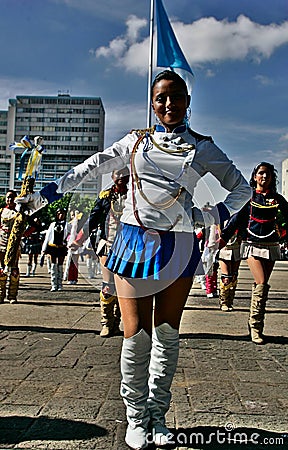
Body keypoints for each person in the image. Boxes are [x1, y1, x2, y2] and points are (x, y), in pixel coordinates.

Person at [16, 70, 251, 449]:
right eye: (161, 98)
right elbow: (92, 165)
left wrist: (214, 215)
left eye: (176, 97)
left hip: (179, 244)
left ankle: (159, 415)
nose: (169, 104)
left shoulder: (202, 147)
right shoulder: (136, 142)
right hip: (134, 242)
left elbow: (240, 189)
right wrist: (46, 193)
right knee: (135, 333)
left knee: (168, 334)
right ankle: (136, 417)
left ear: (187, 102)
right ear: (153, 102)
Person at [220, 162, 288, 344]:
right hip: (251, 244)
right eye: (261, 173)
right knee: (261, 282)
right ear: (255, 176)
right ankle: (255, 327)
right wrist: (222, 239)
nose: (264, 177)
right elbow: (236, 219)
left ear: (272, 178)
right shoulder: (249, 197)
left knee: (263, 288)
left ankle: (256, 325)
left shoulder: (278, 199)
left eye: (268, 174)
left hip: (271, 245)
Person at [74, 168, 130, 338]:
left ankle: (120, 323)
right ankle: (106, 322)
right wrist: (79, 238)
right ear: (112, 177)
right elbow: (94, 218)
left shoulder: (136, 194)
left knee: (126, 288)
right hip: (108, 244)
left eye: (124, 174)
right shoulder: (105, 196)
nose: (120, 177)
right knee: (108, 286)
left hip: (130, 248)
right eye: (117, 174)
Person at [41, 208, 69, 292]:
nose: (61, 215)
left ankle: (60, 284)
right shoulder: (52, 224)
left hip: (61, 247)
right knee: (53, 265)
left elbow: (70, 236)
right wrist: (43, 249)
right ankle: (53, 284)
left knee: (60, 265)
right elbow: (47, 237)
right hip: (52, 247)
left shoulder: (67, 225)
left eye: (63, 214)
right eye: (59, 213)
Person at [0, 190, 21, 304]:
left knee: (14, 269)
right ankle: (0, 294)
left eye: (12, 198)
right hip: (2, 241)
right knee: (2, 269)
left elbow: (35, 224)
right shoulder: (1, 211)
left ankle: (12, 296)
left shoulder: (20, 212)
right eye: (8, 197)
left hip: (14, 243)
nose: (9, 200)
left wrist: (23, 234)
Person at [218, 229, 242, 311]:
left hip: (237, 246)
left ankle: (230, 302)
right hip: (224, 246)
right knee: (226, 277)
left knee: (234, 276)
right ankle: (224, 302)